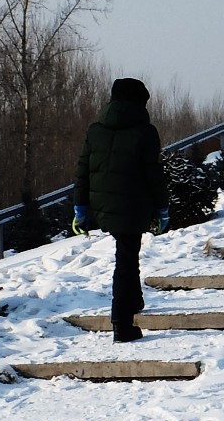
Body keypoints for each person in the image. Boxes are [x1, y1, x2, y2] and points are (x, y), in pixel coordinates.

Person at [72, 77, 170, 342]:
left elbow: (82, 171)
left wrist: (80, 207)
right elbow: (154, 173)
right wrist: (163, 208)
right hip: (133, 204)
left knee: (128, 253)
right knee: (126, 261)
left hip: (103, 205)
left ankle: (134, 301)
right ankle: (121, 323)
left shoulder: (96, 130)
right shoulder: (145, 132)